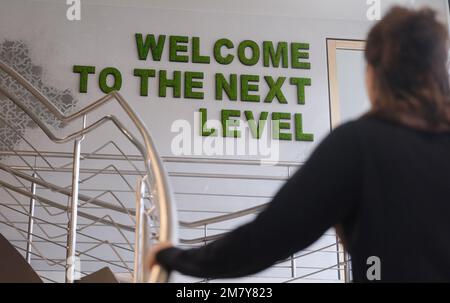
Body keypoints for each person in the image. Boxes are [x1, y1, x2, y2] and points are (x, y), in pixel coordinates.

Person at [147, 6, 450, 282]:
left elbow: (266, 239)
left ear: (374, 73)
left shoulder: (360, 143)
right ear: (438, 71)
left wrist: (172, 256)